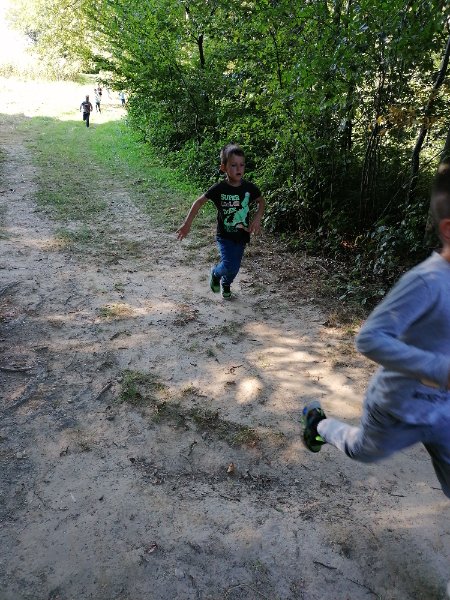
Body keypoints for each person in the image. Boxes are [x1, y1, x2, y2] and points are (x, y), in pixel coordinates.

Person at [302, 161, 450, 499]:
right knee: (362, 450)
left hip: (444, 414)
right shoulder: (427, 282)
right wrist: (440, 370)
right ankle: (318, 424)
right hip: (398, 408)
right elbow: (369, 338)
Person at [176, 143, 265, 299]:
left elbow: (261, 201)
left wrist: (257, 218)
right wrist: (187, 224)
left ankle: (226, 284)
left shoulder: (249, 188)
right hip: (224, 236)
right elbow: (199, 202)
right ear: (223, 167)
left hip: (242, 235)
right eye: (233, 165)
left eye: (242, 165)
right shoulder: (219, 189)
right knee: (229, 264)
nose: (239, 169)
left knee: (235, 267)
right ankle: (216, 273)